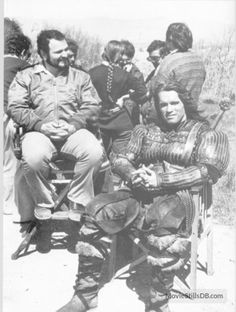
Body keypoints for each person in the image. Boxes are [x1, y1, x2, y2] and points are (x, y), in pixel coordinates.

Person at [57, 82, 229, 312]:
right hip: (139, 192)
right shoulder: (145, 130)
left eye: (174, 103)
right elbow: (120, 159)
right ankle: (85, 294)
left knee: (164, 218)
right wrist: (132, 172)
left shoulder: (205, 133)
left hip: (181, 196)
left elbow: (208, 170)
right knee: (96, 209)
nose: (169, 109)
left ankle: (158, 302)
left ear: (184, 103)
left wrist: (161, 180)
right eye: (163, 104)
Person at [7, 29, 103, 224]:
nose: (66, 55)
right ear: (43, 54)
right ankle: (44, 201)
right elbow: (15, 106)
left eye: (66, 50)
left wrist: (74, 124)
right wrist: (40, 125)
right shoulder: (27, 76)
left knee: (94, 152)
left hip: (73, 132)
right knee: (32, 158)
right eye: (58, 52)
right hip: (38, 133)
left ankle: (78, 200)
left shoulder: (80, 77)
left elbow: (93, 104)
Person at [89, 40, 147, 157]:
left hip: (99, 120)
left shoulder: (92, 73)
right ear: (119, 56)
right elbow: (143, 91)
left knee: (100, 159)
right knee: (122, 158)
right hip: (121, 122)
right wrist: (125, 97)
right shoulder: (124, 74)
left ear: (104, 54)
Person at [151, 23, 206, 121]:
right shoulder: (198, 60)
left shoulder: (169, 61)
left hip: (172, 116)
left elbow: (157, 90)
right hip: (192, 114)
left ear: (170, 39)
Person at [4, 23, 32, 215]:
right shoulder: (22, 66)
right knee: (10, 163)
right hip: (7, 116)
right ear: (22, 51)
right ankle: (6, 204)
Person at [119, 39, 146, 125]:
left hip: (130, 106)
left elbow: (142, 93)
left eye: (126, 60)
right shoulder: (116, 67)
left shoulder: (136, 73)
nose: (123, 63)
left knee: (129, 104)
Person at [141, 40, 169, 124]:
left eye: (155, 58)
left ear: (165, 56)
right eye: (150, 59)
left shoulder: (168, 75)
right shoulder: (152, 74)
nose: (153, 62)